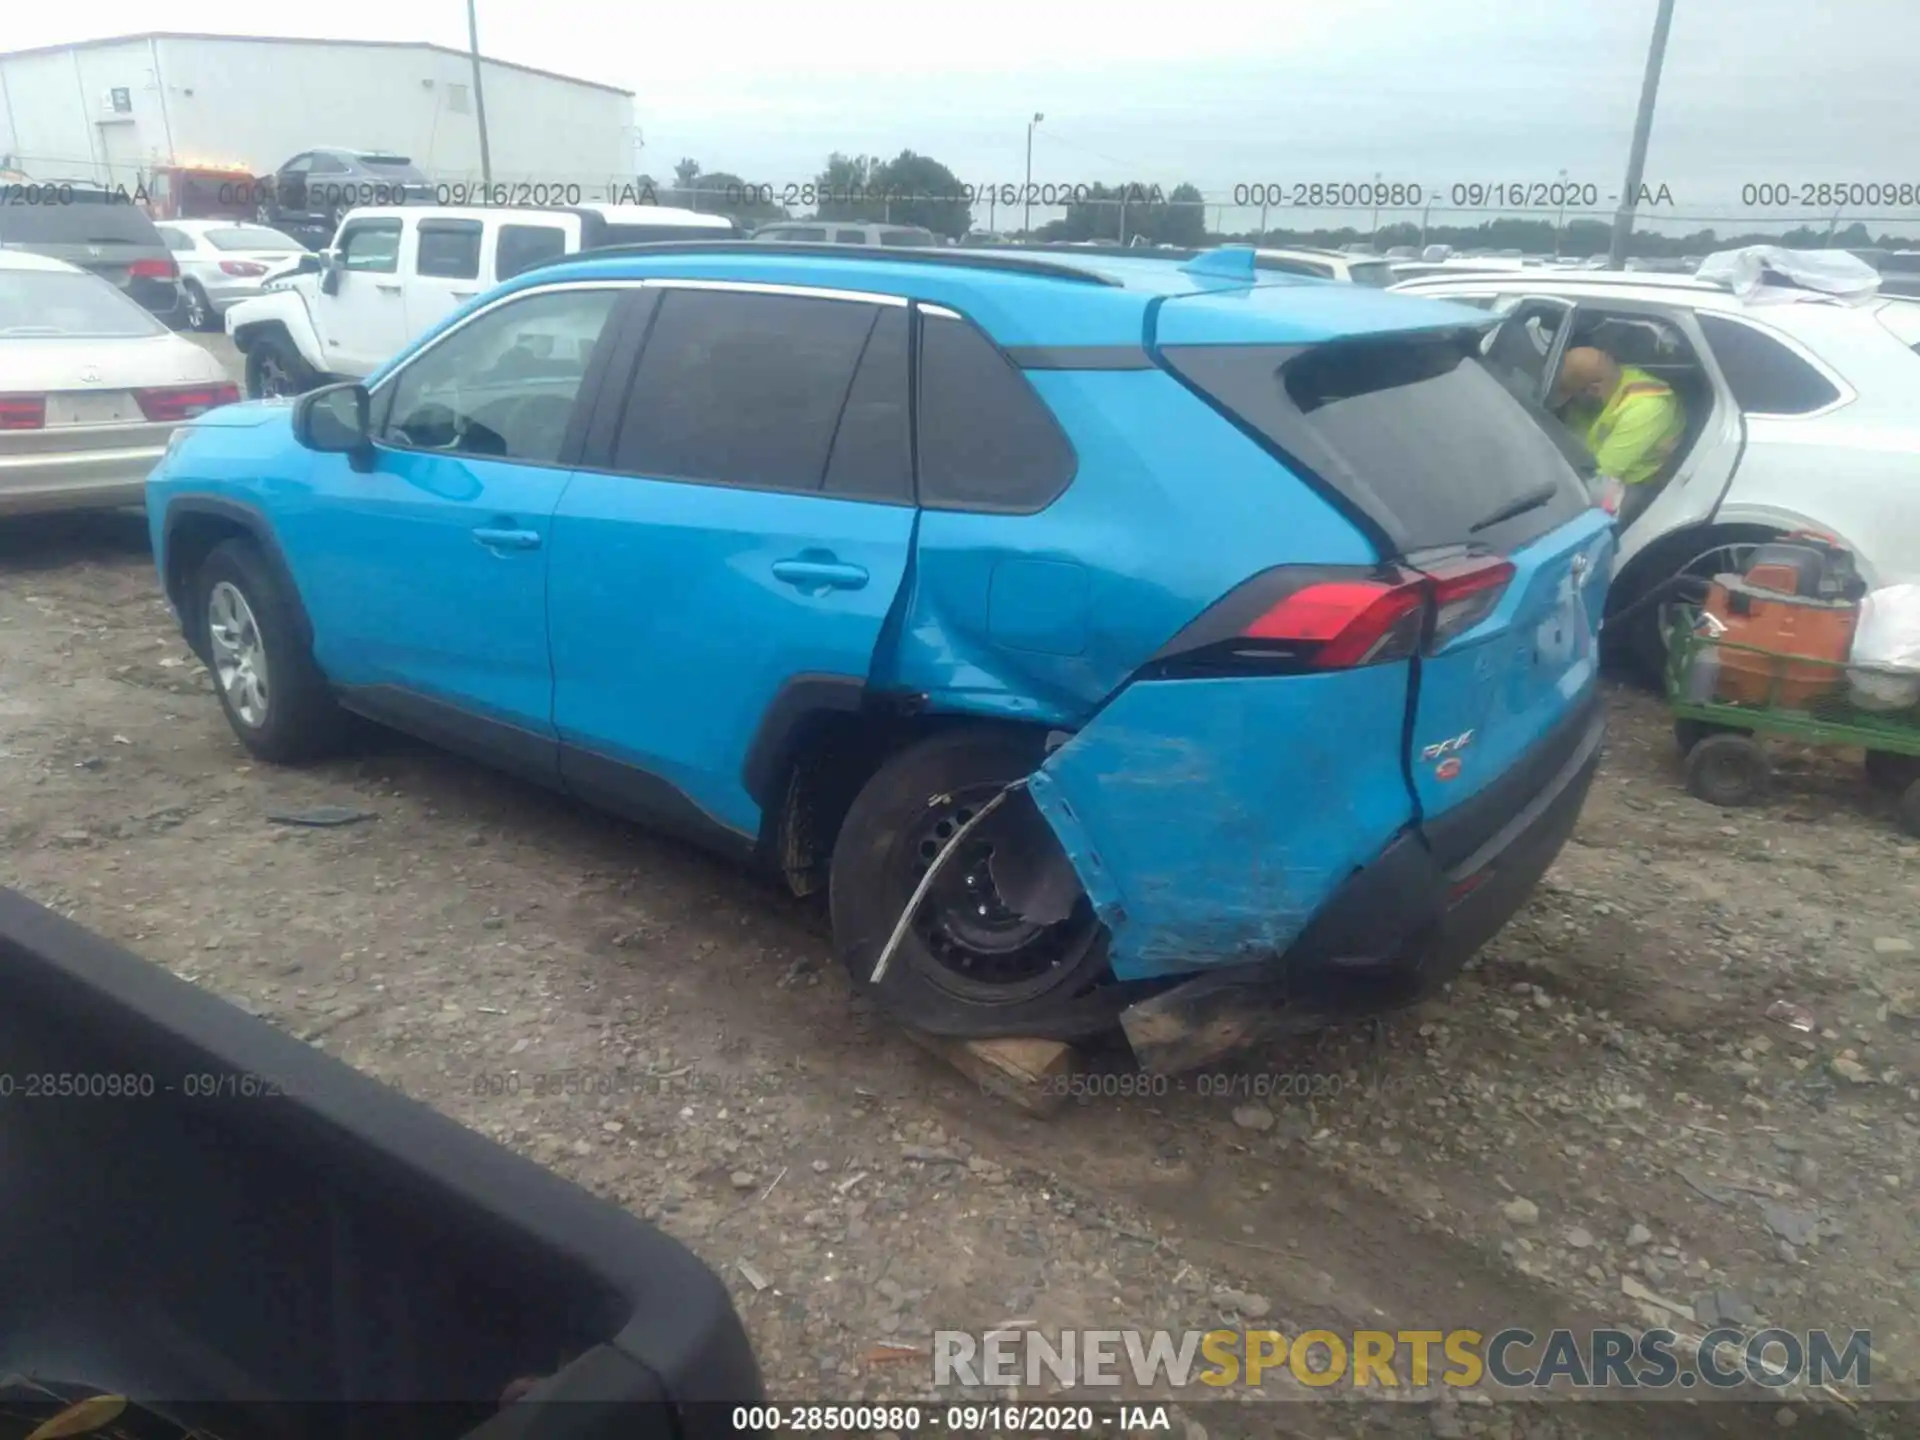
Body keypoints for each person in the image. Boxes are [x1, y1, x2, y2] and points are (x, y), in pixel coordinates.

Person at [1551, 345, 1686, 519]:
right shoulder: (1611, 380)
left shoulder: (1645, 408)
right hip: (1590, 463)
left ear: (1593, 390)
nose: (1571, 402)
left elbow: (1599, 475)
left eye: (1573, 395)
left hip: (1635, 482)